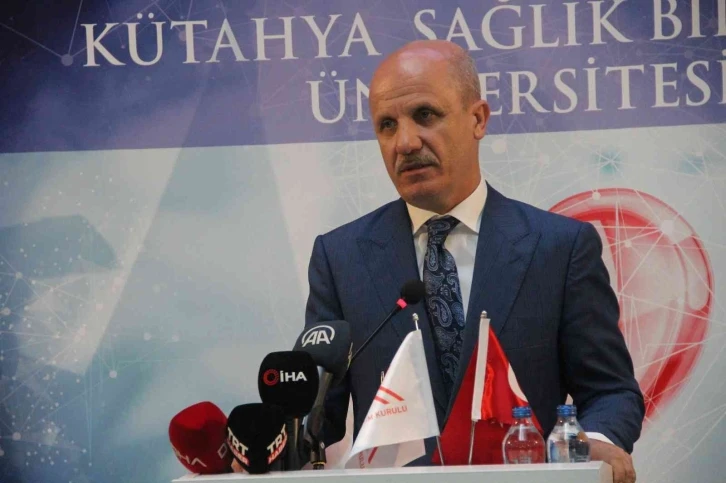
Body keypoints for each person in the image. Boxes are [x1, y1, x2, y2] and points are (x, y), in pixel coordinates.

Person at [304, 39, 643, 483]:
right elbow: (316, 415)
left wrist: (591, 442)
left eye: (425, 115)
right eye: (387, 125)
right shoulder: (341, 258)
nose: (405, 142)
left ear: (478, 119)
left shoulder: (559, 248)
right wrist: (275, 441)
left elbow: (611, 391)